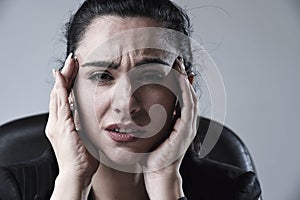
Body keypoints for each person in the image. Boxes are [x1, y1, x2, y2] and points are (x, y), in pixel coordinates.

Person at [44, 0, 261, 200]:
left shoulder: (234, 192)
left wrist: (165, 181)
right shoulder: (14, 189)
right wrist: (73, 181)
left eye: (150, 76)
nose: (127, 105)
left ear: (184, 90)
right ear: (69, 89)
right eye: (103, 76)